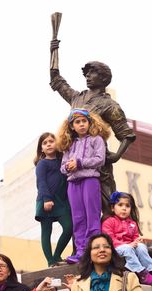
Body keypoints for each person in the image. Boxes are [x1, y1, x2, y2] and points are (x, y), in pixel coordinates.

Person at [50, 39, 136, 214]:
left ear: (103, 78)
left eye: (92, 73)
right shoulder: (77, 98)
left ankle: (108, 239)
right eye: (86, 73)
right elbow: (56, 80)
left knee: (107, 206)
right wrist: (54, 51)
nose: (87, 76)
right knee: (77, 209)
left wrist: (116, 155)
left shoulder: (110, 105)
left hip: (97, 163)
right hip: (73, 161)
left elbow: (126, 135)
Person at [57, 108, 110, 263]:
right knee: (78, 218)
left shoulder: (96, 139)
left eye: (83, 121)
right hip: (73, 184)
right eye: (77, 122)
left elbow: (100, 159)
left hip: (90, 181)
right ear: (72, 126)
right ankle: (81, 252)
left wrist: (79, 163)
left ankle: (94, 250)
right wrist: (68, 167)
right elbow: (62, 167)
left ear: (89, 122)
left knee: (92, 216)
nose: (81, 124)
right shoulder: (69, 144)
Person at [34, 132, 73, 267]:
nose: (49, 144)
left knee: (69, 227)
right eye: (45, 143)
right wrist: (46, 199)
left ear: (57, 144)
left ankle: (57, 256)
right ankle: (50, 261)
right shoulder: (42, 164)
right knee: (46, 231)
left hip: (61, 202)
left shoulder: (63, 162)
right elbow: (41, 182)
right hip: (46, 200)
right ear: (41, 149)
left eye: (51, 141)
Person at [101, 191, 152, 285]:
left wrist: (137, 241)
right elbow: (109, 239)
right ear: (112, 208)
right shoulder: (109, 221)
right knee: (127, 248)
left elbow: (135, 237)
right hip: (115, 248)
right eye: (120, 205)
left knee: (141, 247)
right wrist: (127, 244)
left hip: (130, 247)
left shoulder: (132, 223)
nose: (124, 208)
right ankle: (141, 273)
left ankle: (150, 269)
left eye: (127, 206)